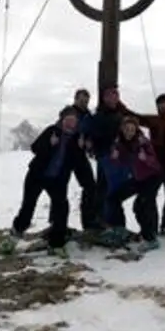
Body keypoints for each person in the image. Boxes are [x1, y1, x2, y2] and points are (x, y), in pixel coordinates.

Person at [5, 105, 92, 258]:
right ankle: (13, 238)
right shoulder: (52, 130)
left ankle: (56, 244)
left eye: (73, 120)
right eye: (68, 119)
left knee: (61, 209)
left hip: (57, 180)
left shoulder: (77, 138)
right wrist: (49, 144)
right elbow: (35, 148)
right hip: (36, 176)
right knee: (27, 208)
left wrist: (80, 149)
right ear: (62, 119)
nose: (71, 123)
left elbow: (77, 163)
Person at [83, 85, 139, 237]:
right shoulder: (96, 115)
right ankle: (103, 222)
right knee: (103, 189)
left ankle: (115, 224)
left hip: (120, 158)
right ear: (104, 98)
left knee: (114, 191)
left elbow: (134, 130)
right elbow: (87, 131)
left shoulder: (122, 115)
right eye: (109, 96)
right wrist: (88, 142)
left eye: (115, 96)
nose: (112, 99)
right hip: (103, 157)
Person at [103, 115, 164, 251]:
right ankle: (119, 229)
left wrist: (146, 158)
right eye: (126, 128)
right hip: (138, 178)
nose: (129, 131)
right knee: (113, 197)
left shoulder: (143, 142)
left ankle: (150, 239)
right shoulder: (119, 143)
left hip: (153, 177)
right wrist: (115, 158)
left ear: (136, 130)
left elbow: (155, 163)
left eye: (132, 129)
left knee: (141, 205)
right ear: (122, 129)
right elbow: (121, 162)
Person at [134, 93, 165, 236]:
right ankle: (151, 225)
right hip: (156, 164)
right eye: (159, 104)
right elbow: (135, 117)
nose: (162, 107)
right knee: (150, 195)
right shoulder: (154, 120)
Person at [68, 87, 98, 230]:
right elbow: (64, 128)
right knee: (59, 189)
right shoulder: (68, 112)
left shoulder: (88, 116)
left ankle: (89, 222)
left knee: (90, 187)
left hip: (79, 155)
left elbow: (90, 132)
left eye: (86, 101)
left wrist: (89, 143)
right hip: (66, 154)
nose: (84, 103)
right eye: (81, 100)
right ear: (76, 99)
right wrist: (77, 137)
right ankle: (55, 223)